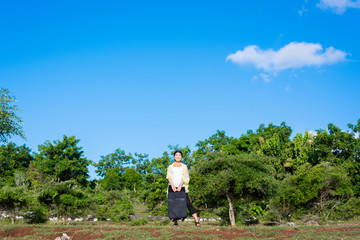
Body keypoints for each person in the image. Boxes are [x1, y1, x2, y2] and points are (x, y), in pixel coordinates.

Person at [166, 150, 200, 227]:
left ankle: (197, 221)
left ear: (181, 157)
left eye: (179, 155)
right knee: (173, 204)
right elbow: (169, 177)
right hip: (172, 187)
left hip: (182, 187)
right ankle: (175, 222)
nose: (178, 156)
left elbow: (185, 177)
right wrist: (173, 187)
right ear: (174, 157)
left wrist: (180, 186)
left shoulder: (184, 166)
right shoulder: (170, 167)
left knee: (188, 203)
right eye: (176, 155)